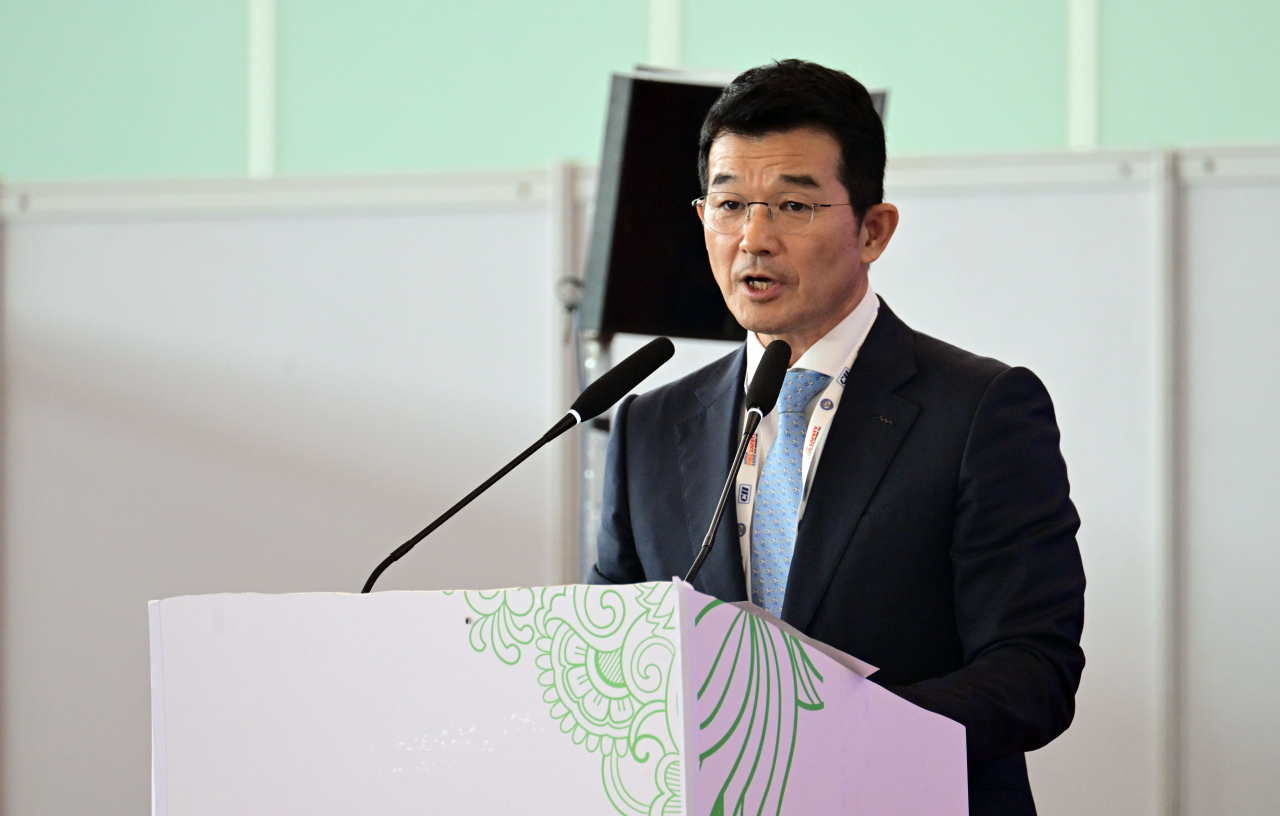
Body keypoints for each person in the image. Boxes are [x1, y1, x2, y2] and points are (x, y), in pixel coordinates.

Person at [589, 59, 1086, 816]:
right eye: (729, 205)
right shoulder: (649, 426)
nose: (753, 239)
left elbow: (1032, 670)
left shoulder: (981, 408)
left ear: (874, 228)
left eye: (793, 205)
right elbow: (613, 654)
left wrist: (830, 736)